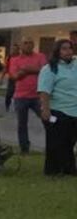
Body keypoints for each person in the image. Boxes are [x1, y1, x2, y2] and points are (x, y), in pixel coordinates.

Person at [39, 39, 77, 176]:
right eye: (64, 49)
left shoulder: (75, 64)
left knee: (69, 143)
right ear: (57, 51)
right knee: (56, 143)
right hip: (58, 110)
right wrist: (45, 109)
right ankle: (53, 171)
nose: (68, 52)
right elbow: (44, 91)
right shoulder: (50, 68)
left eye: (70, 48)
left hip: (74, 111)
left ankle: (68, 170)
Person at [10, 41, 45, 154]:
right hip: (20, 97)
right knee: (22, 124)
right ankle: (24, 149)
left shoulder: (40, 56)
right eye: (25, 43)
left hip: (38, 96)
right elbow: (15, 76)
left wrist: (26, 69)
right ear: (21, 45)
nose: (28, 45)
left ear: (33, 45)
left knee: (48, 119)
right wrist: (34, 70)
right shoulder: (14, 59)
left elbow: (45, 71)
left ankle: (53, 146)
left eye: (30, 43)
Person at [2, 42, 22, 112]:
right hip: (11, 79)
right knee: (9, 94)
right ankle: (7, 106)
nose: (14, 51)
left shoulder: (21, 57)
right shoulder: (9, 57)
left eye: (16, 49)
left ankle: (17, 107)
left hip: (19, 78)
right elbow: (5, 68)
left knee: (18, 94)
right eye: (13, 49)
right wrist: (1, 78)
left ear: (18, 50)